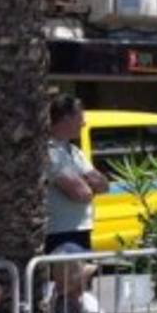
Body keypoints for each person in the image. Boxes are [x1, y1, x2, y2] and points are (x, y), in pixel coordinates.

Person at [46, 95, 110, 253]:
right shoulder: (50, 152)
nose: (83, 123)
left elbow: (104, 185)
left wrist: (85, 183)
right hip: (61, 233)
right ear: (67, 119)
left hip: (82, 230)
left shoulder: (75, 152)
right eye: (80, 117)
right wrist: (88, 183)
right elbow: (82, 194)